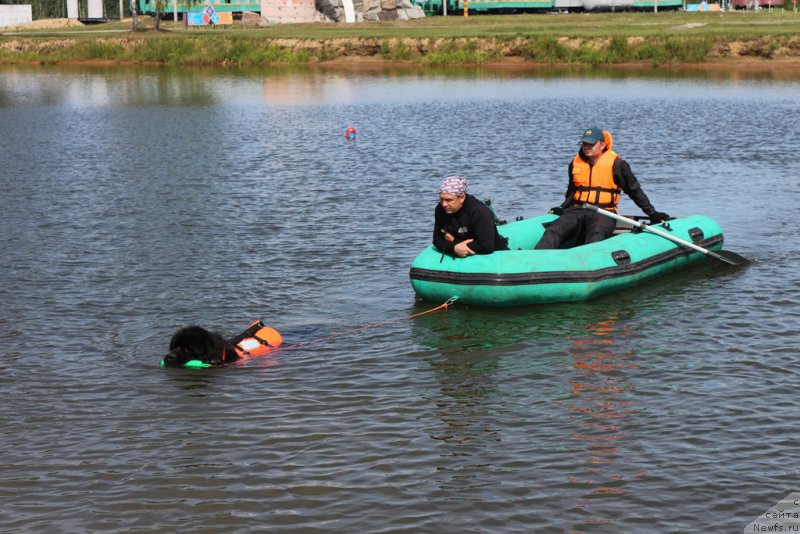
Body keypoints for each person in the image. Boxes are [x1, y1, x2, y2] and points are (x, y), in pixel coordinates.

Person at [535, 127, 670, 250]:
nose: (587, 147)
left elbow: (634, 191)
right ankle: (537, 261)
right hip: (578, 210)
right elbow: (572, 192)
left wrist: (652, 213)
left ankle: (587, 265)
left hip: (604, 212)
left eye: (591, 144)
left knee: (596, 234)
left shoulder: (617, 164)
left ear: (603, 144)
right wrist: (563, 208)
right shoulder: (575, 164)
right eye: (584, 144)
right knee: (555, 229)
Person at [433, 176, 509, 258]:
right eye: (441, 199)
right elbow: (437, 240)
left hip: (496, 255)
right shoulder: (440, 209)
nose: (444, 204)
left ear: (462, 197)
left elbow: (486, 247)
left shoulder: (479, 211)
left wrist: (454, 241)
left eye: (449, 200)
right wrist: (454, 249)